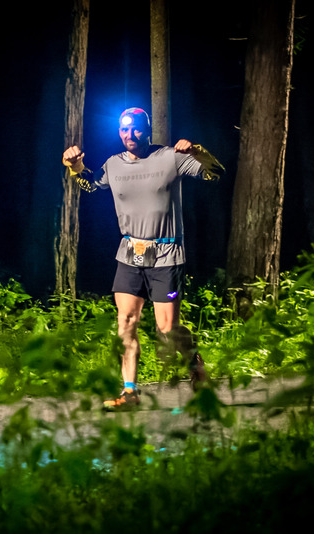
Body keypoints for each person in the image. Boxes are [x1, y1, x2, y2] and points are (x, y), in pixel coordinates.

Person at [62, 107, 223, 409]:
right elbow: (90, 184)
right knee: (126, 321)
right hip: (130, 254)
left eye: (136, 128)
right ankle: (129, 392)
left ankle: (194, 362)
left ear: (147, 130)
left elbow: (216, 173)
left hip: (166, 255)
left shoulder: (170, 157)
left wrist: (198, 152)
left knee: (167, 330)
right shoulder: (114, 164)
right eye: (124, 129)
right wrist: (75, 165)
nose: (130, 134)